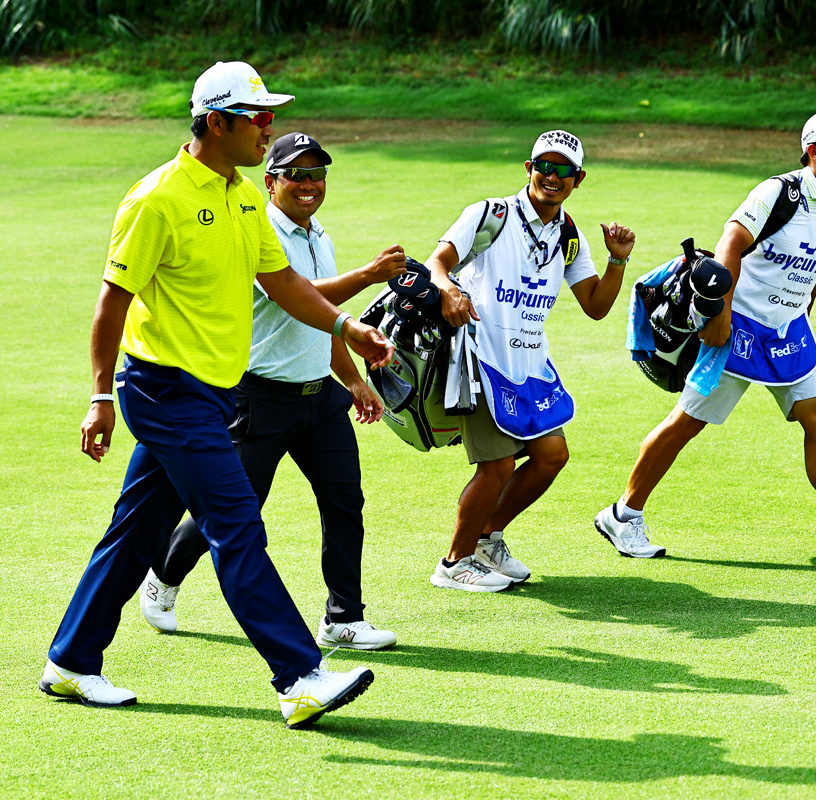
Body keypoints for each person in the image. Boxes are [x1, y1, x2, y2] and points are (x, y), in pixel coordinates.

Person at [39, 61, 394, 730]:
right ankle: (300, 677)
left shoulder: (244, 196)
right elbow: (113, 301)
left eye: (269, 117)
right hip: (163, 390)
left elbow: (285, 284)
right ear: (217, 123)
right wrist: (99, 397)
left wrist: (347, 328)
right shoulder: (157, 198)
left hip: (213, 393)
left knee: (137, 533)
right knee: (237, 524)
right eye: (257, 118)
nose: (268, 129)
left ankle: (70, 661)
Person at [595, 108, 816, 565]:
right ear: (813, 151)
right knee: (688, 421)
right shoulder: (777, 192)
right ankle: (622, 515)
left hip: (788, 329)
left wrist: (804, 311)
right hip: (737, 324)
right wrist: (718, 316)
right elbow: (730, 245)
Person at [139, 131, 405, 650]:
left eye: (317, 175)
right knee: (237, 506)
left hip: (319, 399)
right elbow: (294, 296)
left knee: (344, 502)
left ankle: (344, 617)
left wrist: (352, 381)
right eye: (296, 175)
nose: (309, 184)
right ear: (271, 182)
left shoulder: (319, 236)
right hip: (259, 398)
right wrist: (370, 275)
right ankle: (163, 576)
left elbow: (323, 317)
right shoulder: (257, 231)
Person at [425, 130, 636, 591]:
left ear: (579, 179)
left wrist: (617, 261)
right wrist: (449, 291)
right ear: (529, 169)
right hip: (479, 358)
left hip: (529, 364)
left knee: (551, 455)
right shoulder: (490, 214)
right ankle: (454, 562)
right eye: (544, 166)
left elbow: (595, 305)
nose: (552, 176)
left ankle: (486, 539)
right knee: (498, 465)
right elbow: (436, 264)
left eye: (564, 170)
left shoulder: (569, 234)